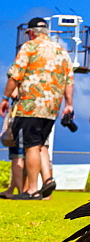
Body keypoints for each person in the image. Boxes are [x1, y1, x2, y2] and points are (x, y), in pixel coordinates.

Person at [1, 17, 74, 200]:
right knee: (41, 145)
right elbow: (69, 81)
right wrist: (69, 104)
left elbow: (15, 76)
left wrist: (4, 97)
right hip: (52, 108)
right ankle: (47, 179)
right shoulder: (62, 51)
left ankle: (32, 189)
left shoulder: (29, 47)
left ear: (32, 32)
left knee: (31, 145)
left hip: (31, 104)